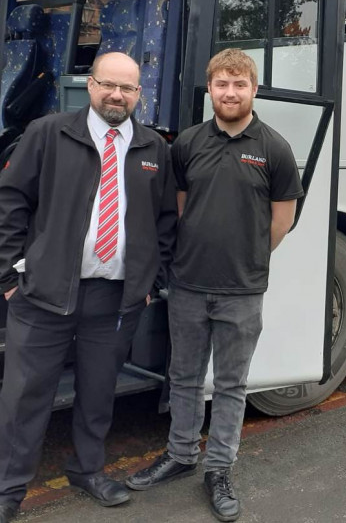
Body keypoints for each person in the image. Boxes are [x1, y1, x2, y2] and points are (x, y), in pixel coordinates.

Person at [0, 52, 178, 523]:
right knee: (24, 396)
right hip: (43, 294)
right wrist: (8, 275)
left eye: (127, 88)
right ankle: (4, 493)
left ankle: (87, 470)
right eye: (109, 85)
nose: (117, 95)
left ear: (139, 95)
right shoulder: (50, 132)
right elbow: (9, 202)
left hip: (115, 298)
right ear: (90, 86)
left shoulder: (153, 148)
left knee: (98, 392)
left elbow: (165, 222)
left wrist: (151, 281)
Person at [126, 48, 304, 522]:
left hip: (242, 292)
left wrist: (244, 256)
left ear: (253, 89)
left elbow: (282, 220)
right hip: (187, 284)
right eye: (222, 84)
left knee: (230, 385)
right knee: (183, 377)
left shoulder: (274, 148)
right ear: (210, 90)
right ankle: (181, 454)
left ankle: (219, 468)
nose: (230, 92)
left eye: (239, 84)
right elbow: (182, 208)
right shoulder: (186, 144)